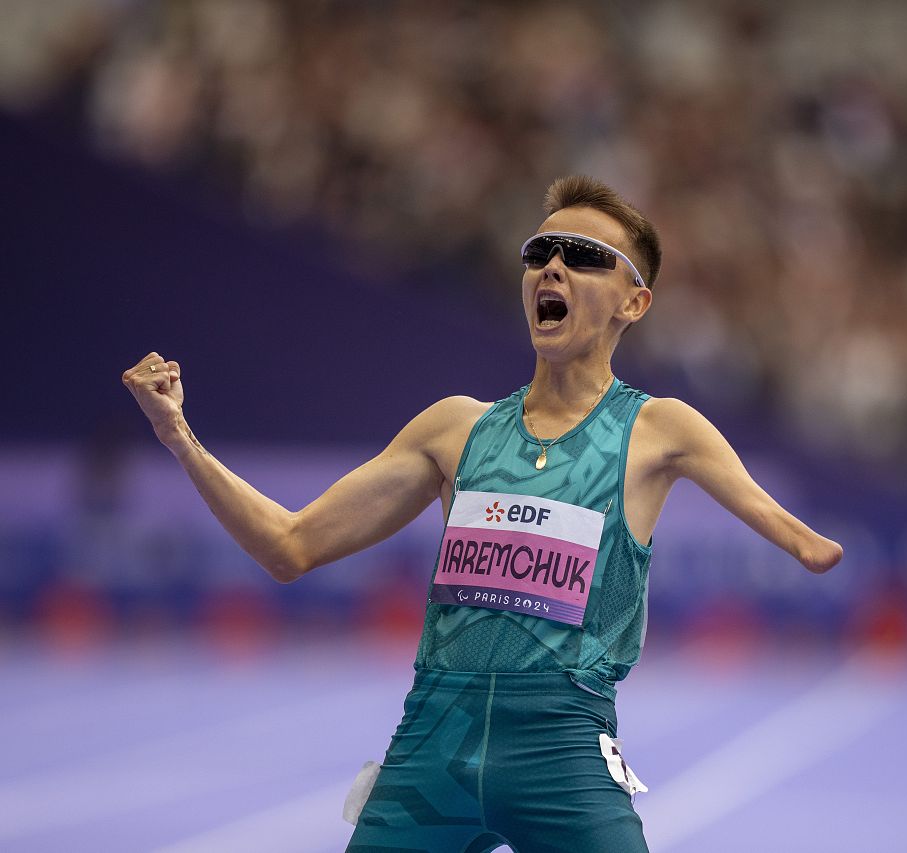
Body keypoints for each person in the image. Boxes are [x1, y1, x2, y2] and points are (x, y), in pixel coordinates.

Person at [121, 175, 842, 853]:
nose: (552, 267)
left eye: (585, 257)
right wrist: (178, 437)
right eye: (540, 253)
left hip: (561, 747)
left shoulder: (659, 430)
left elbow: (787, 527)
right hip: (435, 743)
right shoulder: (454, 430)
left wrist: (809, 545)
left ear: (634, 301)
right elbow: (289, 545)